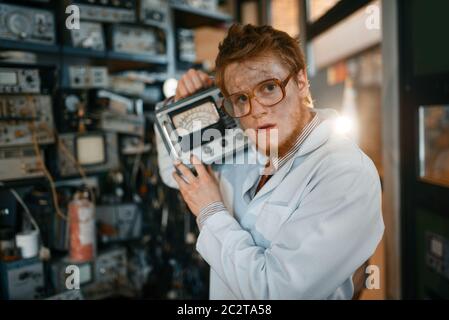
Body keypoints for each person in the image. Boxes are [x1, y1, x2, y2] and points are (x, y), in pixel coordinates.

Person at [156, 24, 384, 299]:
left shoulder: (346, 174)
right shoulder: (247, 146)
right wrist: (183, 104)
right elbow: (175, 171)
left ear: (301, 82)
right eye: (241, 98)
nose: (257, 111)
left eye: (268, 87)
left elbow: (276, 292)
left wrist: (210, 212)